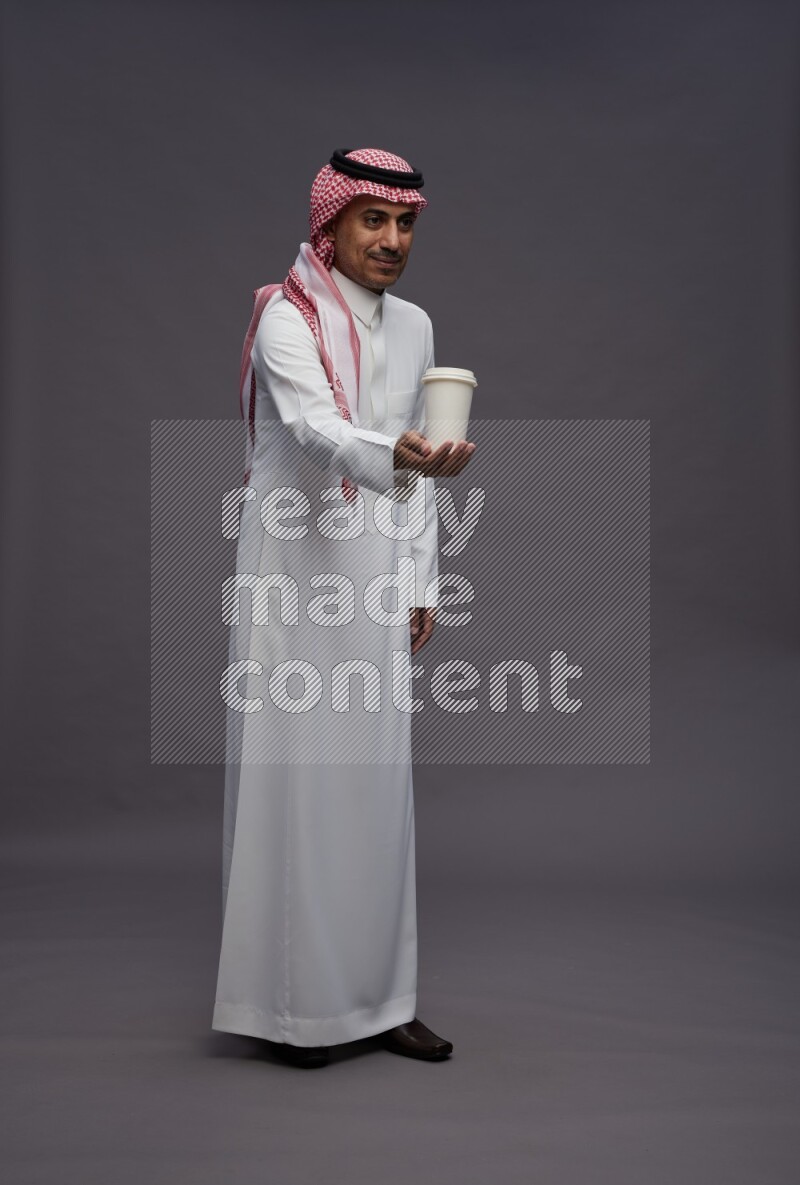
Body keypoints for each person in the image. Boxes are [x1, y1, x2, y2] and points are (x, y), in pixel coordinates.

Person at [212, 148, 476, 1068]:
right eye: (374, 221)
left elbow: (423, 471)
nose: (393, 241)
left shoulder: (414, 326)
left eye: (405, 223)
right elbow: (321, 429)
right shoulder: (286, 314)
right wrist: (402, 454)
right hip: (295, 568)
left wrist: (416, 582)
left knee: (375, 788)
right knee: (304, 784)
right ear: (332, 225)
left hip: (371, 572)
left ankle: (382, 999)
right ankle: (298, 1010)